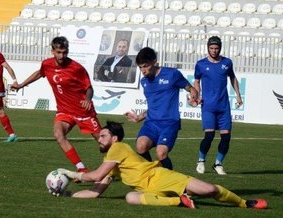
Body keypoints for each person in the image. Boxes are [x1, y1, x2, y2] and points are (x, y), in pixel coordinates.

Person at [56, 121, 267, 210]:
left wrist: (68, 172)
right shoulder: (111, 161)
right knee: (130, 197)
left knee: (209, 190)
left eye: (103, 135)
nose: (99, 139)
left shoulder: (117, 149)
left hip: (160, 176)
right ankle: (179, 201)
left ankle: (243, 203)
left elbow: (94, 176)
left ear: (115, 138)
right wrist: (67, 194)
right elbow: (95, 192)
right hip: (149, 189)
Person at [13, 36, 101, 173]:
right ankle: (81, 169)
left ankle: (121, 166)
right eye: (59, 52)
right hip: (64, 111)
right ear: (52, 51)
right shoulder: (47, 64)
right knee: (58, 135)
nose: (62, 55)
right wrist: (21, 85)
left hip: (83, 112)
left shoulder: (77, 68)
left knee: (104, 143)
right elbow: (39, 73)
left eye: (65, 52)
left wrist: (88, 99)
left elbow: (89, 88)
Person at [124, 47, 198, 170]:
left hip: (169, 123)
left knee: (161, 153)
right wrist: (139, 117)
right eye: (140, 67)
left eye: (145, 66)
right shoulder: (144, 82)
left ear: (154, 62)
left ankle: (170, 182)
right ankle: (150, 174)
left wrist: (193, 95)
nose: (143, 70)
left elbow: (190, 88)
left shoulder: (172, 74)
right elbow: (153, 107)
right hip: (151, 123)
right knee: (140, 146)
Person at [193, 36, 243, 175]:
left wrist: (238, 95)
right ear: (207, 48)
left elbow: (233, 78)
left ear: (220, 48)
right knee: (209, 136)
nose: (214, 51)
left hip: (223, 107)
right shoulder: (201, 64)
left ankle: (218, 163)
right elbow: (196, 81)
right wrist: (197, 95)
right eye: (211, 48)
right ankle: (201, 161)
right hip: (208, 106)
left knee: (226, 137)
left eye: (216, 48)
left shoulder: (227, 63)